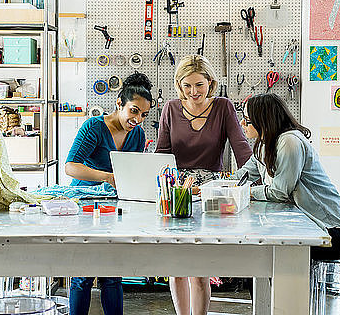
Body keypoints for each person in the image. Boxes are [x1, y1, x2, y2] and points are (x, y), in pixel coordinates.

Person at [156, 55, 252, 315]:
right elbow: (162, 153)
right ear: (179, 85)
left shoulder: (223, 106)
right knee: (176, 268)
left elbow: (241, 148)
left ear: (211, 82)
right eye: (187, 86)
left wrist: (253, 182)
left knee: (199, 270)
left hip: (210, 194)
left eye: (199, 85)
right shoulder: (171, 109)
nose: (193, 92)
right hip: (178, 191)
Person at [65, 72, 153, 315]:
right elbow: (71, 166)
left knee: (112, 275)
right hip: (86, 207)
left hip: (114, 209)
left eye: (144, 115)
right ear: (119, 103)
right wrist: (108, 177)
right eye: (134, 111)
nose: (138, 119)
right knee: (83, 275)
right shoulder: (94, 126)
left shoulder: (138, 134)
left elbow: (134, 172)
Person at [235, 93, 340, 260]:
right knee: (263, 251)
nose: (242, 123)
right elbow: (241, 177)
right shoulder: (264, 145)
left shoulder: (289, 142)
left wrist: (247, 191)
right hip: (307, 227)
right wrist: (208, 188)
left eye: (247, 119)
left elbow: (279, 192)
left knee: (264, 253)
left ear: (263, 120)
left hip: (333, 232)